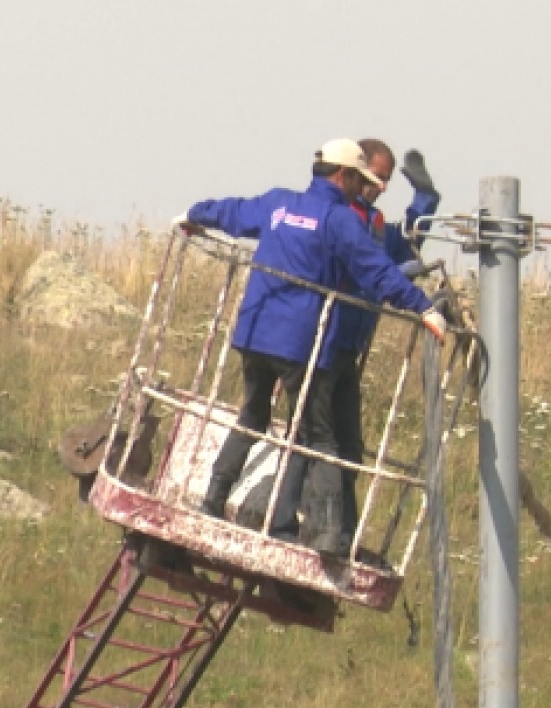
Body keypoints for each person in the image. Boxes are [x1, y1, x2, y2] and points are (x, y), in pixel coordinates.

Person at [177, 138, 448, 556]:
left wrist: (194, 215)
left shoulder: (279, 204)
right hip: (301, 344)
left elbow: (233, 212)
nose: (364, 187)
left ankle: (214, 498)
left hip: (254, 335)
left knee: (253, 413)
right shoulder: (339, 219)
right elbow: (376, 270)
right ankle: (324, 534)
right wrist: (423, 307)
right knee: (317, 436)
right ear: (344, 176)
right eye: (361, 179)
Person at [321, 140, 442, 548]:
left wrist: (426, 199)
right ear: (355, 173)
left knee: (348, 447)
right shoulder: (338, 217)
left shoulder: (374, 224)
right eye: (377, 179)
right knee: (319, 444)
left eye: (388, 181)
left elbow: (404, 246)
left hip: (349, 349)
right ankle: (313, 528)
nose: (382, 188)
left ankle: (345, 537)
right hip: (322, 342)